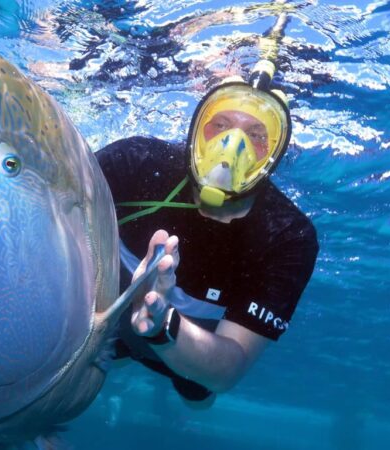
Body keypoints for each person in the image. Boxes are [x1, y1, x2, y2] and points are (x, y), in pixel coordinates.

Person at [96, 62, 319, 406]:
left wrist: (163, 324)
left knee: (198, 398)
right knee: (108, 359)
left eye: (256, 136)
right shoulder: (135, 161)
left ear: (274, 155)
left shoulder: (288, 236)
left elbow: (226, 372)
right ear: (197, 130)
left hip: (189, 357)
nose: (231, 147)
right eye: (221, 125)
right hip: (114, 323)